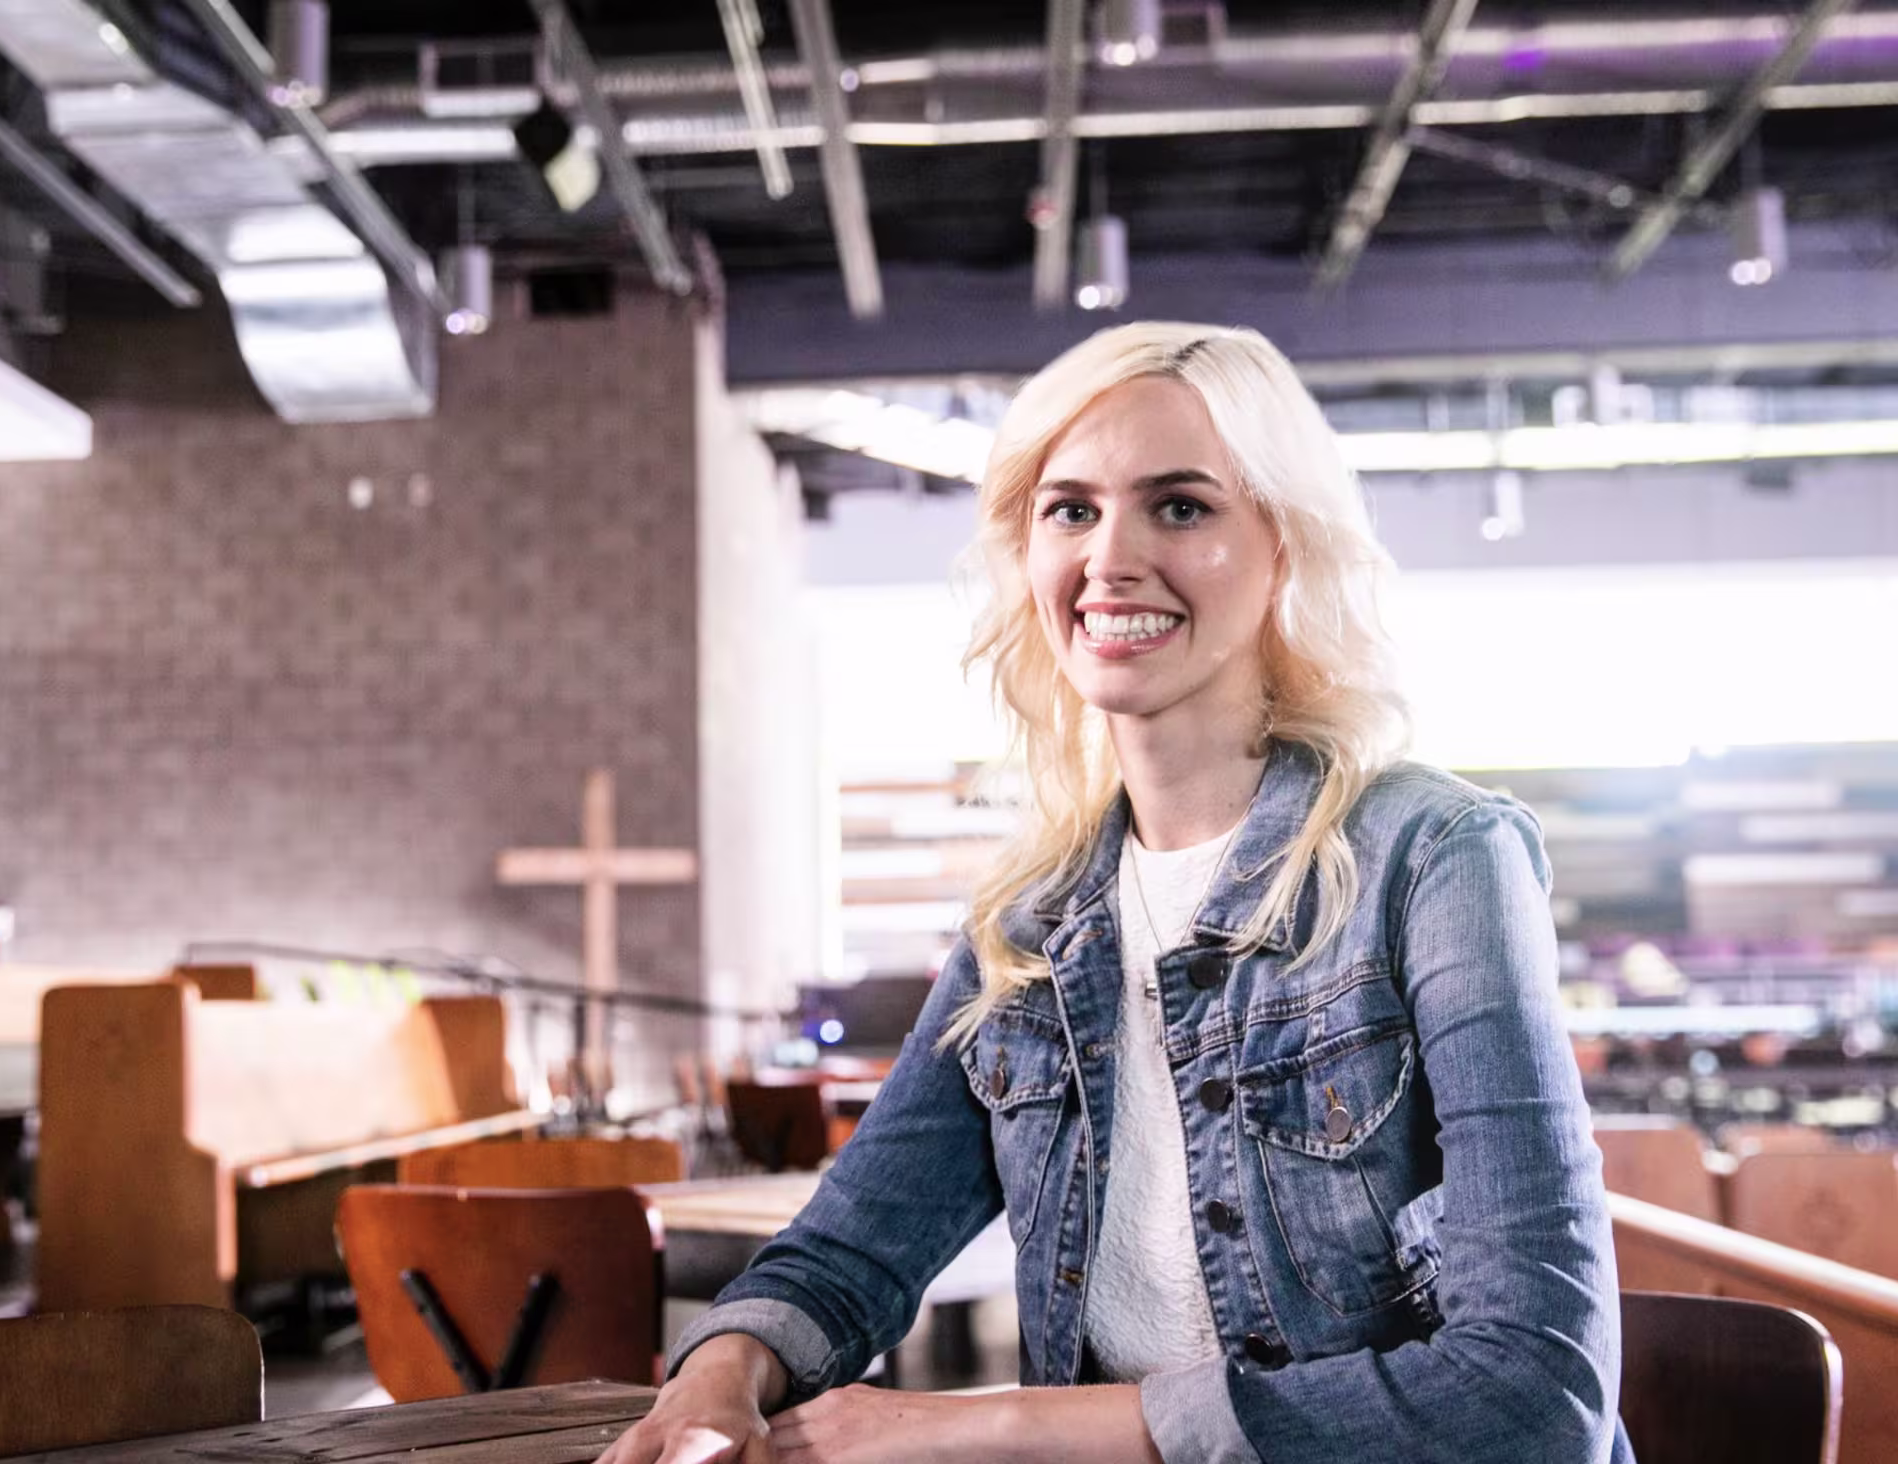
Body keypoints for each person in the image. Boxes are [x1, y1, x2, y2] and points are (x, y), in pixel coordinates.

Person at [607, 322, 1629, 1464]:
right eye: (1071, 509)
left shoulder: (1436, 859)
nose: (1111, 559)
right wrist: (715, 1376)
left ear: (1284, 545)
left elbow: (1535, 1394)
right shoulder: (1033, 921)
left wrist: (986, 1426)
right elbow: (854, 1244)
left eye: (1180, 507)